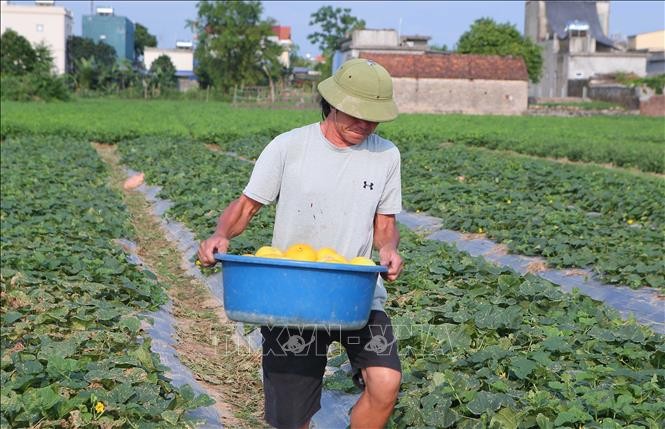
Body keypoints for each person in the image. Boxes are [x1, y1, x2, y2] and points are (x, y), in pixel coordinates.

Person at [198, 58, 404, 429]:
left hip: (355, 294)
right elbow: (247, 206)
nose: (365, 125)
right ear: (332, 104)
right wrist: (221, 234)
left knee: (386, 382)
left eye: (373, 118)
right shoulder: (289, 147)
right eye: (356, 115)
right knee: (293, 420)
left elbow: (385, 223)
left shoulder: (386, 155)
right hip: (291, 296)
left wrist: (388, 249)